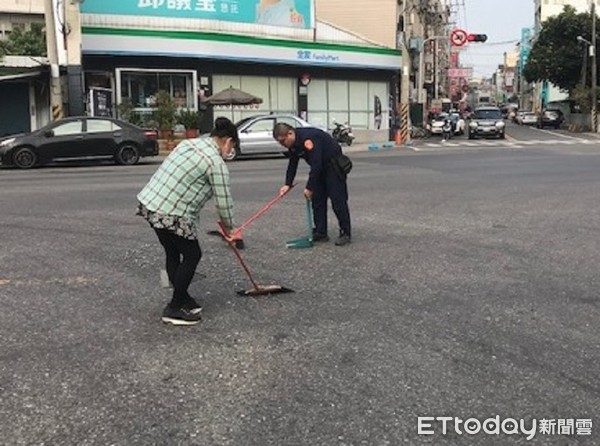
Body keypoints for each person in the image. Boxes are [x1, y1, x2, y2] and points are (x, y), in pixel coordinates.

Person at [137, 117, 240, 326]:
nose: (230, 152)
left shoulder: (188, 143)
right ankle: (174, 307)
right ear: (227, 141)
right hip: (173, 213)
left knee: (173, 251)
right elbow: (224, 203)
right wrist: (232, 229)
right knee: (193, 254)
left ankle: (183, 298)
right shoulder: (215, 163)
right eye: (232, 147)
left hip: (150, 204)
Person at [273, 123, 351, 246]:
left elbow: (316, 164)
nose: (283, 145)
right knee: (317, 200)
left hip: (333, 166)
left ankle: (345, 232)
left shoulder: (309, 138)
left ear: (290, 133)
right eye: (280, 143)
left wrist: (309, 187)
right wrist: (287, 184)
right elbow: (293, 163)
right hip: (319, 168)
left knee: (338, 200)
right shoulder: (294, 143)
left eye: (283, 141)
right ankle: (321, 232)